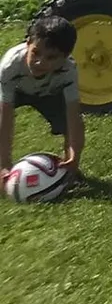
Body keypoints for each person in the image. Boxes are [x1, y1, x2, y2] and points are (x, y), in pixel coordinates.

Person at [0, 14, 84, 182]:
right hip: (17, 91)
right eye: (36, 53)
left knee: (68, 124)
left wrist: (74, 157)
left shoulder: (68, 70)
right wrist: (4, 164)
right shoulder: (10, 65)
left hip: (49, 93)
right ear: (28, 43)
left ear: (65, 57)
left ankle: (68, 170)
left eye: (51, 57)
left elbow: (73, 116)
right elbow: (5, 118)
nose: (39, 62)